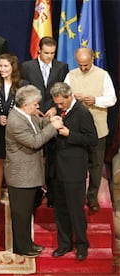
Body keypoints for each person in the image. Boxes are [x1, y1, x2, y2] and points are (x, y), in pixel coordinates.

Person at [4, 85, 62, 258]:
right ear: (25, 104)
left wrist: (50, 121)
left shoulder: (26, 115)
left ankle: (27, 243)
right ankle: (21, 247)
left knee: (26, 212)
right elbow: (35, 141)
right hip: (20, 176)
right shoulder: (15, 121)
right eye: (35, 104)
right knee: (21, 214)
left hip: (29, 173)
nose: (38, 107)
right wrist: (54, 127)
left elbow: (39, 123)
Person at [64, 48, 116, 212]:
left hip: (98, 129)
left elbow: (112, 99)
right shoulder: (71, 75)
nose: (83, 68)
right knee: (76, 164)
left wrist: (96, 100)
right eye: (80, 65)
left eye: (86, 65)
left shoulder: (103, 75)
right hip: (76, 130)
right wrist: (72, 98)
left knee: (96, 165)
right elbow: (63, 97)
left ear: (92, 60)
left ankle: (92, 197)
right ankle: (76, 197)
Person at [50, 82, 98, 261]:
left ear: (70, 96)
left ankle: (82, 245)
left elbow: (92, 139)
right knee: (60, 209)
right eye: (57, 103)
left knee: (75, 210)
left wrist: (69, 134)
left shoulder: (83, 113)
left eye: (61, 103)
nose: (59, 106)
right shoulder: (59, 111)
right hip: (58, 170)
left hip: (74, 171)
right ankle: (64, 244)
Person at [21, 36, 69, 208]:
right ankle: (35, 194)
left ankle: (52, 195)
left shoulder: (62, 67)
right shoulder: (27, 67)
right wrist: (33, 109)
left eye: (52, 53)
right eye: (46, 53)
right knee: (35, 159)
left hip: (53, 118)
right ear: (39, 51)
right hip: (33, 118)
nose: (49, 56)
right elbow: (24, 90)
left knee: (53, 159)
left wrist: (56, 108)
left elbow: (63, 91)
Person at [0, 54, 28, 207]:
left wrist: (13, 118)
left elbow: (26, 107)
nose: (2, 69)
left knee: (13, 160)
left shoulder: (23, 84)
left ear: (13, 67)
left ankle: (14, 193)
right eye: (0, 66)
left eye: (6, 66)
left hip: (15, 129)